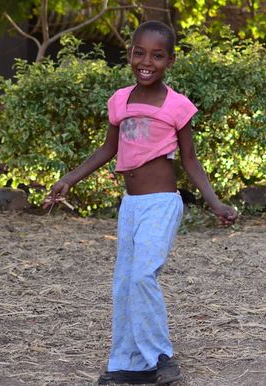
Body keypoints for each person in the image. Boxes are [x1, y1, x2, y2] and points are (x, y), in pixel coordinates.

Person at [42, 20, 238, 385]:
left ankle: (160, 357)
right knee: (124, 283)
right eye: (139, 52)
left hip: (162, 203)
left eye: (157, 55)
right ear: (130, 54)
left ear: (171, 61)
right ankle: (129, 362)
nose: (146, 61)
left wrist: (216, 204)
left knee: (144, 276)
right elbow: (108, 148)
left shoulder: (178, 106)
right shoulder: (120, 100)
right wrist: (69, 179)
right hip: (130, 206)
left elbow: (190, 160)